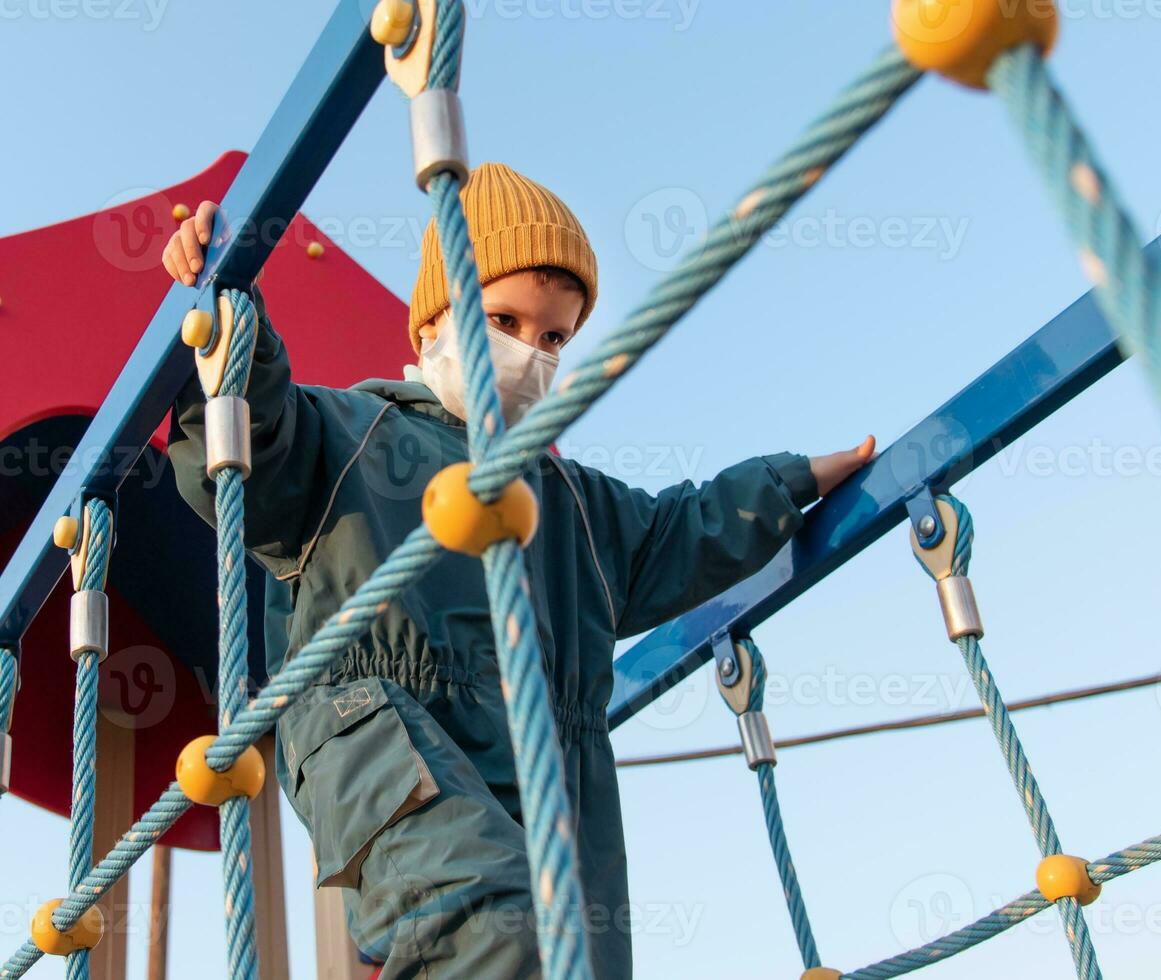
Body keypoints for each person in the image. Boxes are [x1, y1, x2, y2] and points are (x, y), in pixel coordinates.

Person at [164, 162, 874, 978]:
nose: (529, 356)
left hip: (553, 776)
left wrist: (794, 481)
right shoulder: (348, 432)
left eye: (554, 338)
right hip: (375, 724)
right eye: (502, 319)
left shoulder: (571, 502)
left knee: (571, 960)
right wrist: (229, 323)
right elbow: (259, 450)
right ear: (432, 322)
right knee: (493, 931)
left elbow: (684, 529)